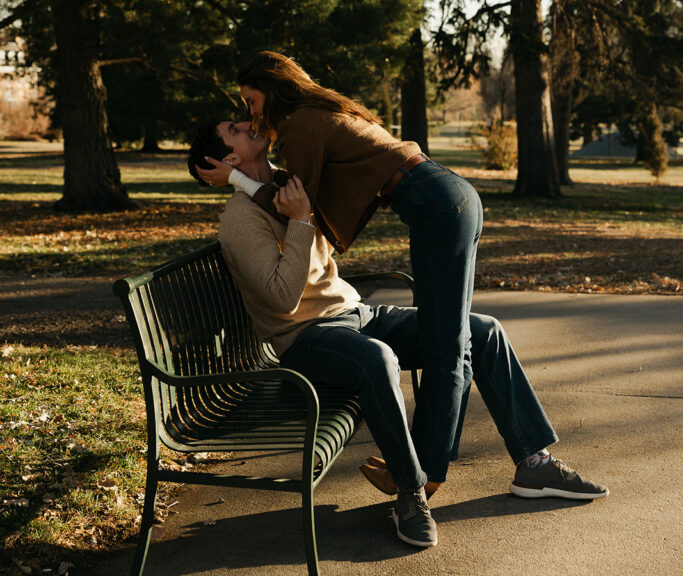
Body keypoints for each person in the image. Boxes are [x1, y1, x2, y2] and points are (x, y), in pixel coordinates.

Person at [188, 119, 608, 550]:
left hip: (356, 313)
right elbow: (281, 299)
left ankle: (533, 462)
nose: (248, 122)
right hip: (305, 336)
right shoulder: (239, 219)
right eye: (234, 128)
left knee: (481, 330)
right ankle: (411, 492)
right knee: (378, 359)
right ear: (230, 158)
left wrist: (284, 203)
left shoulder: (286, 183)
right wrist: (299, 222)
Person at [195, 51, 482, 496]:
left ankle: (426, 474)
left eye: (250, 103)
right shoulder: (310, 117)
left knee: (448, 343)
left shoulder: (299, 126)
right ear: (228, 157)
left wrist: (238, 181)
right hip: (445, 195)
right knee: (467, 335)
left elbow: (296, 205)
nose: (250, 117)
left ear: (273, 90)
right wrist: (247, 187)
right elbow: (299, 212)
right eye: (240, 120)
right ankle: (527, 457)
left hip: (435, 205)